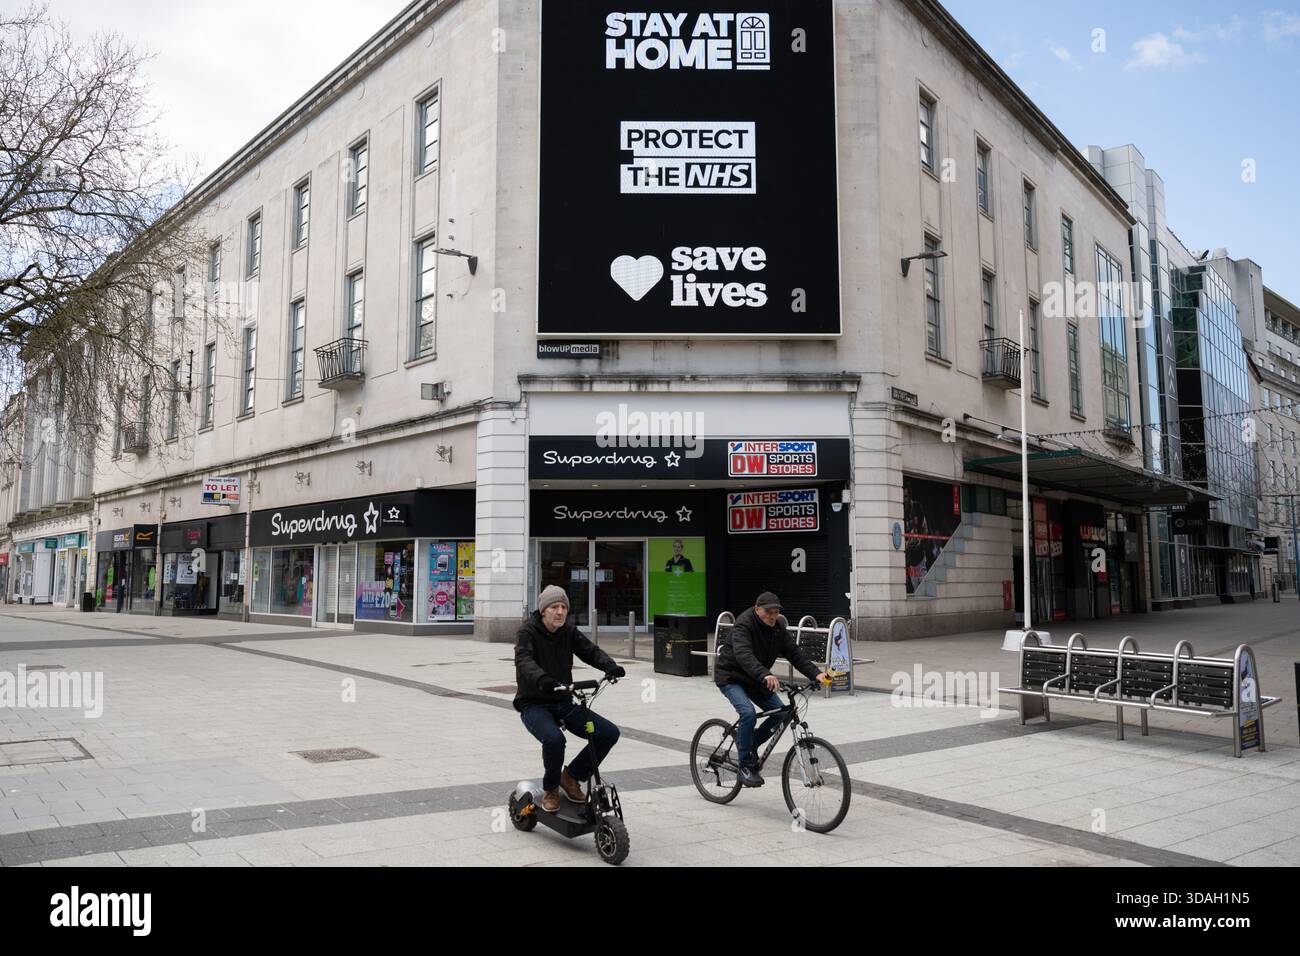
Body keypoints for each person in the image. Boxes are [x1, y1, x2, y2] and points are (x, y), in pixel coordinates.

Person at [514, 585, 627, 812]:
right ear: (544, 610)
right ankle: (551, 789)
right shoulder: (528, 632)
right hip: (534, 703)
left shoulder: (568, 631)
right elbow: (524, 660)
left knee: (607, 733)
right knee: (555, 740)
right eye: (554, 607)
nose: (560, 612)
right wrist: (543, 679)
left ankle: (572, 776)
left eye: (564, 607)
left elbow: (589, 650)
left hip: (563, 701)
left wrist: (609, 665)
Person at [714, 592, 826, 787]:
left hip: (756, 679)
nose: (773, 616)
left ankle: (748, 746)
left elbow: (794, 653)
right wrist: (765, 674)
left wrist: (816, 674)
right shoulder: (744, 625)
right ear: (757, 609)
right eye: (768, 612)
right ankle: (745, 766)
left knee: (781, 714)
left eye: (776, 612)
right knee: (747, 713)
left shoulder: (777, 629)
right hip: (732, 677)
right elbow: (744, 654)